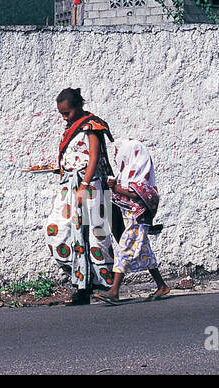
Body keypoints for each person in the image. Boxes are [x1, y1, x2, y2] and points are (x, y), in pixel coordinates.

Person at [45, 87, 115, 305]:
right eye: (62, 114)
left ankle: (96, 287)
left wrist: (84, 185)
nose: (65, 117)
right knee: (58, 231)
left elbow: (93, 158)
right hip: (69, 186)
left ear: (78, 107)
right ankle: (80, 280)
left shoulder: (91, 126)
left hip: (90, 186)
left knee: (95, 234)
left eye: (67, 113)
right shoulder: (71, 128)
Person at [99, 138, 170, 304]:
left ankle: (114, 291)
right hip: (131, 217)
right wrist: (114, 185)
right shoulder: (128, 172)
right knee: (145, 251)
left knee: (123, 249)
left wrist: (116, 188)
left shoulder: (140, 172)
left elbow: (138, 193)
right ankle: (162, 286)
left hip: (138, 218)